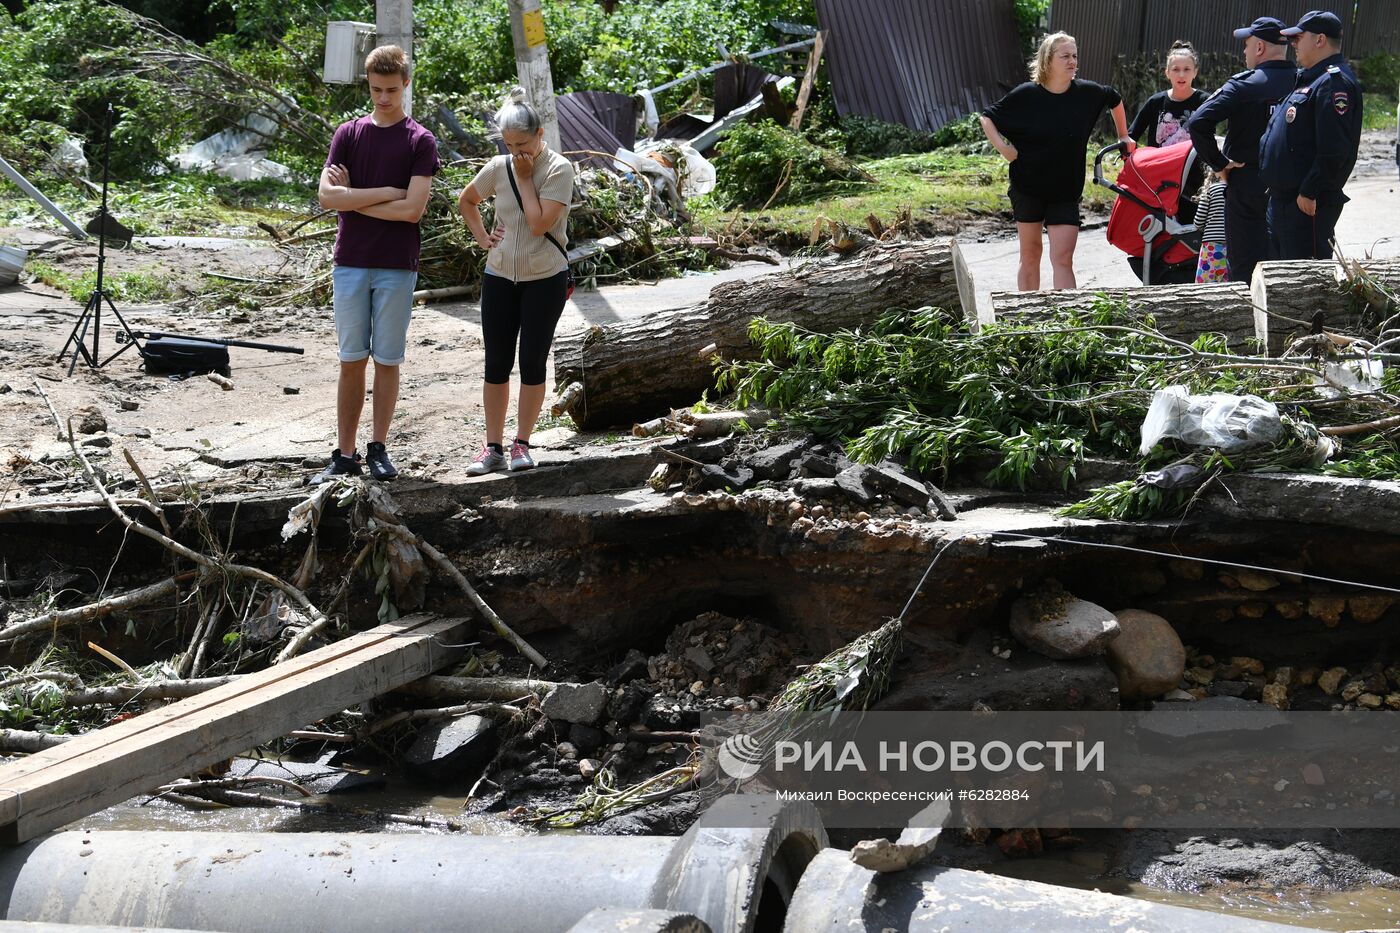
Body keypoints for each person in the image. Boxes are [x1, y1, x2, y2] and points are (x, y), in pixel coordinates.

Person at [312, 45, 439, 484]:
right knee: (352, 359)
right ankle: (344, 454)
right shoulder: (347, 134)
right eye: (375, 90)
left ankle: (378, 450)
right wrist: (388, 190)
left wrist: (356, 199)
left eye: (390, 89)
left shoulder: (420, 140)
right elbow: (327, 198)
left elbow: (413, 211)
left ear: (406, 84)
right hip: (350, 261)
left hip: (396, 265)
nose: (382, 98)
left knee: (387, 360)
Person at [458, 88, 575, 475]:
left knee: (532, 361)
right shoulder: (497, 166)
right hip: (499, 276)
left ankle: (521, 443)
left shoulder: (559, 169)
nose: (516, 152)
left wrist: (525, 179)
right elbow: (467, 200)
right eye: (509, 145)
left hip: (544, 277)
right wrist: (482, 238)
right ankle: (491, 447)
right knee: (496, 362)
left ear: (540, 134)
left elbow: (540, 223)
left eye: (522, 144)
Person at [981, 32, 1133, 291]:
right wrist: (1004, 148)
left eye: (1074, 56)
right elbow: (987, 118)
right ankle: (1028, 319)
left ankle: (1065, 326)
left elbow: (1114, 98)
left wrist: (1123, 135)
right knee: (1030, 256)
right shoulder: (1026, 94)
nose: (1072, 61)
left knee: (1062, 259)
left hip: (1065, 190)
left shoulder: (1087, 93)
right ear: (1048, 60)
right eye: (1065, 56)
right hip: (1027, 187)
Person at [1186, 17, 1295, 285]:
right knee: (1290, 263)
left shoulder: (1244, 84)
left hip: (1247, 183)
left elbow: (1199, 122)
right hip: (1294, 186)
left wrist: (1219, 163)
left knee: (1246, 264)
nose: (1244, 51)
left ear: (1259, 47)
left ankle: (1248, 320)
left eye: (1246, 45)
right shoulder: (1305, 83)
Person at [1260, 10, 1363, 260]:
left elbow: (1335, 148)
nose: (1293, 44)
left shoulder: (1333, 83)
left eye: (1299, 37)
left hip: (1305, 205)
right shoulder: (1312, 79)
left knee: (1305, 284)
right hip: (1285, 203)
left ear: (1320, 40)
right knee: (1282, 281)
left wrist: (1310, 190)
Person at [1128, 41, 1205, 148]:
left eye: (1187, 69)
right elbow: (1131, 137)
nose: (1181, 75)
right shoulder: (1155, 102)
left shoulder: (1206, 102)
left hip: (1194, 164)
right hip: (1159, 163)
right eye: (1176, 69)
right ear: (1167, 73)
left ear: (1195, 72)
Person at [1195, 172, 1229, 283]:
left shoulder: (1211, 190)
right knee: (1226, 281)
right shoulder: (1236, 189)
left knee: (1205, 282)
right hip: (1232, 243)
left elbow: (1198, 221)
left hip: (1211, 245)